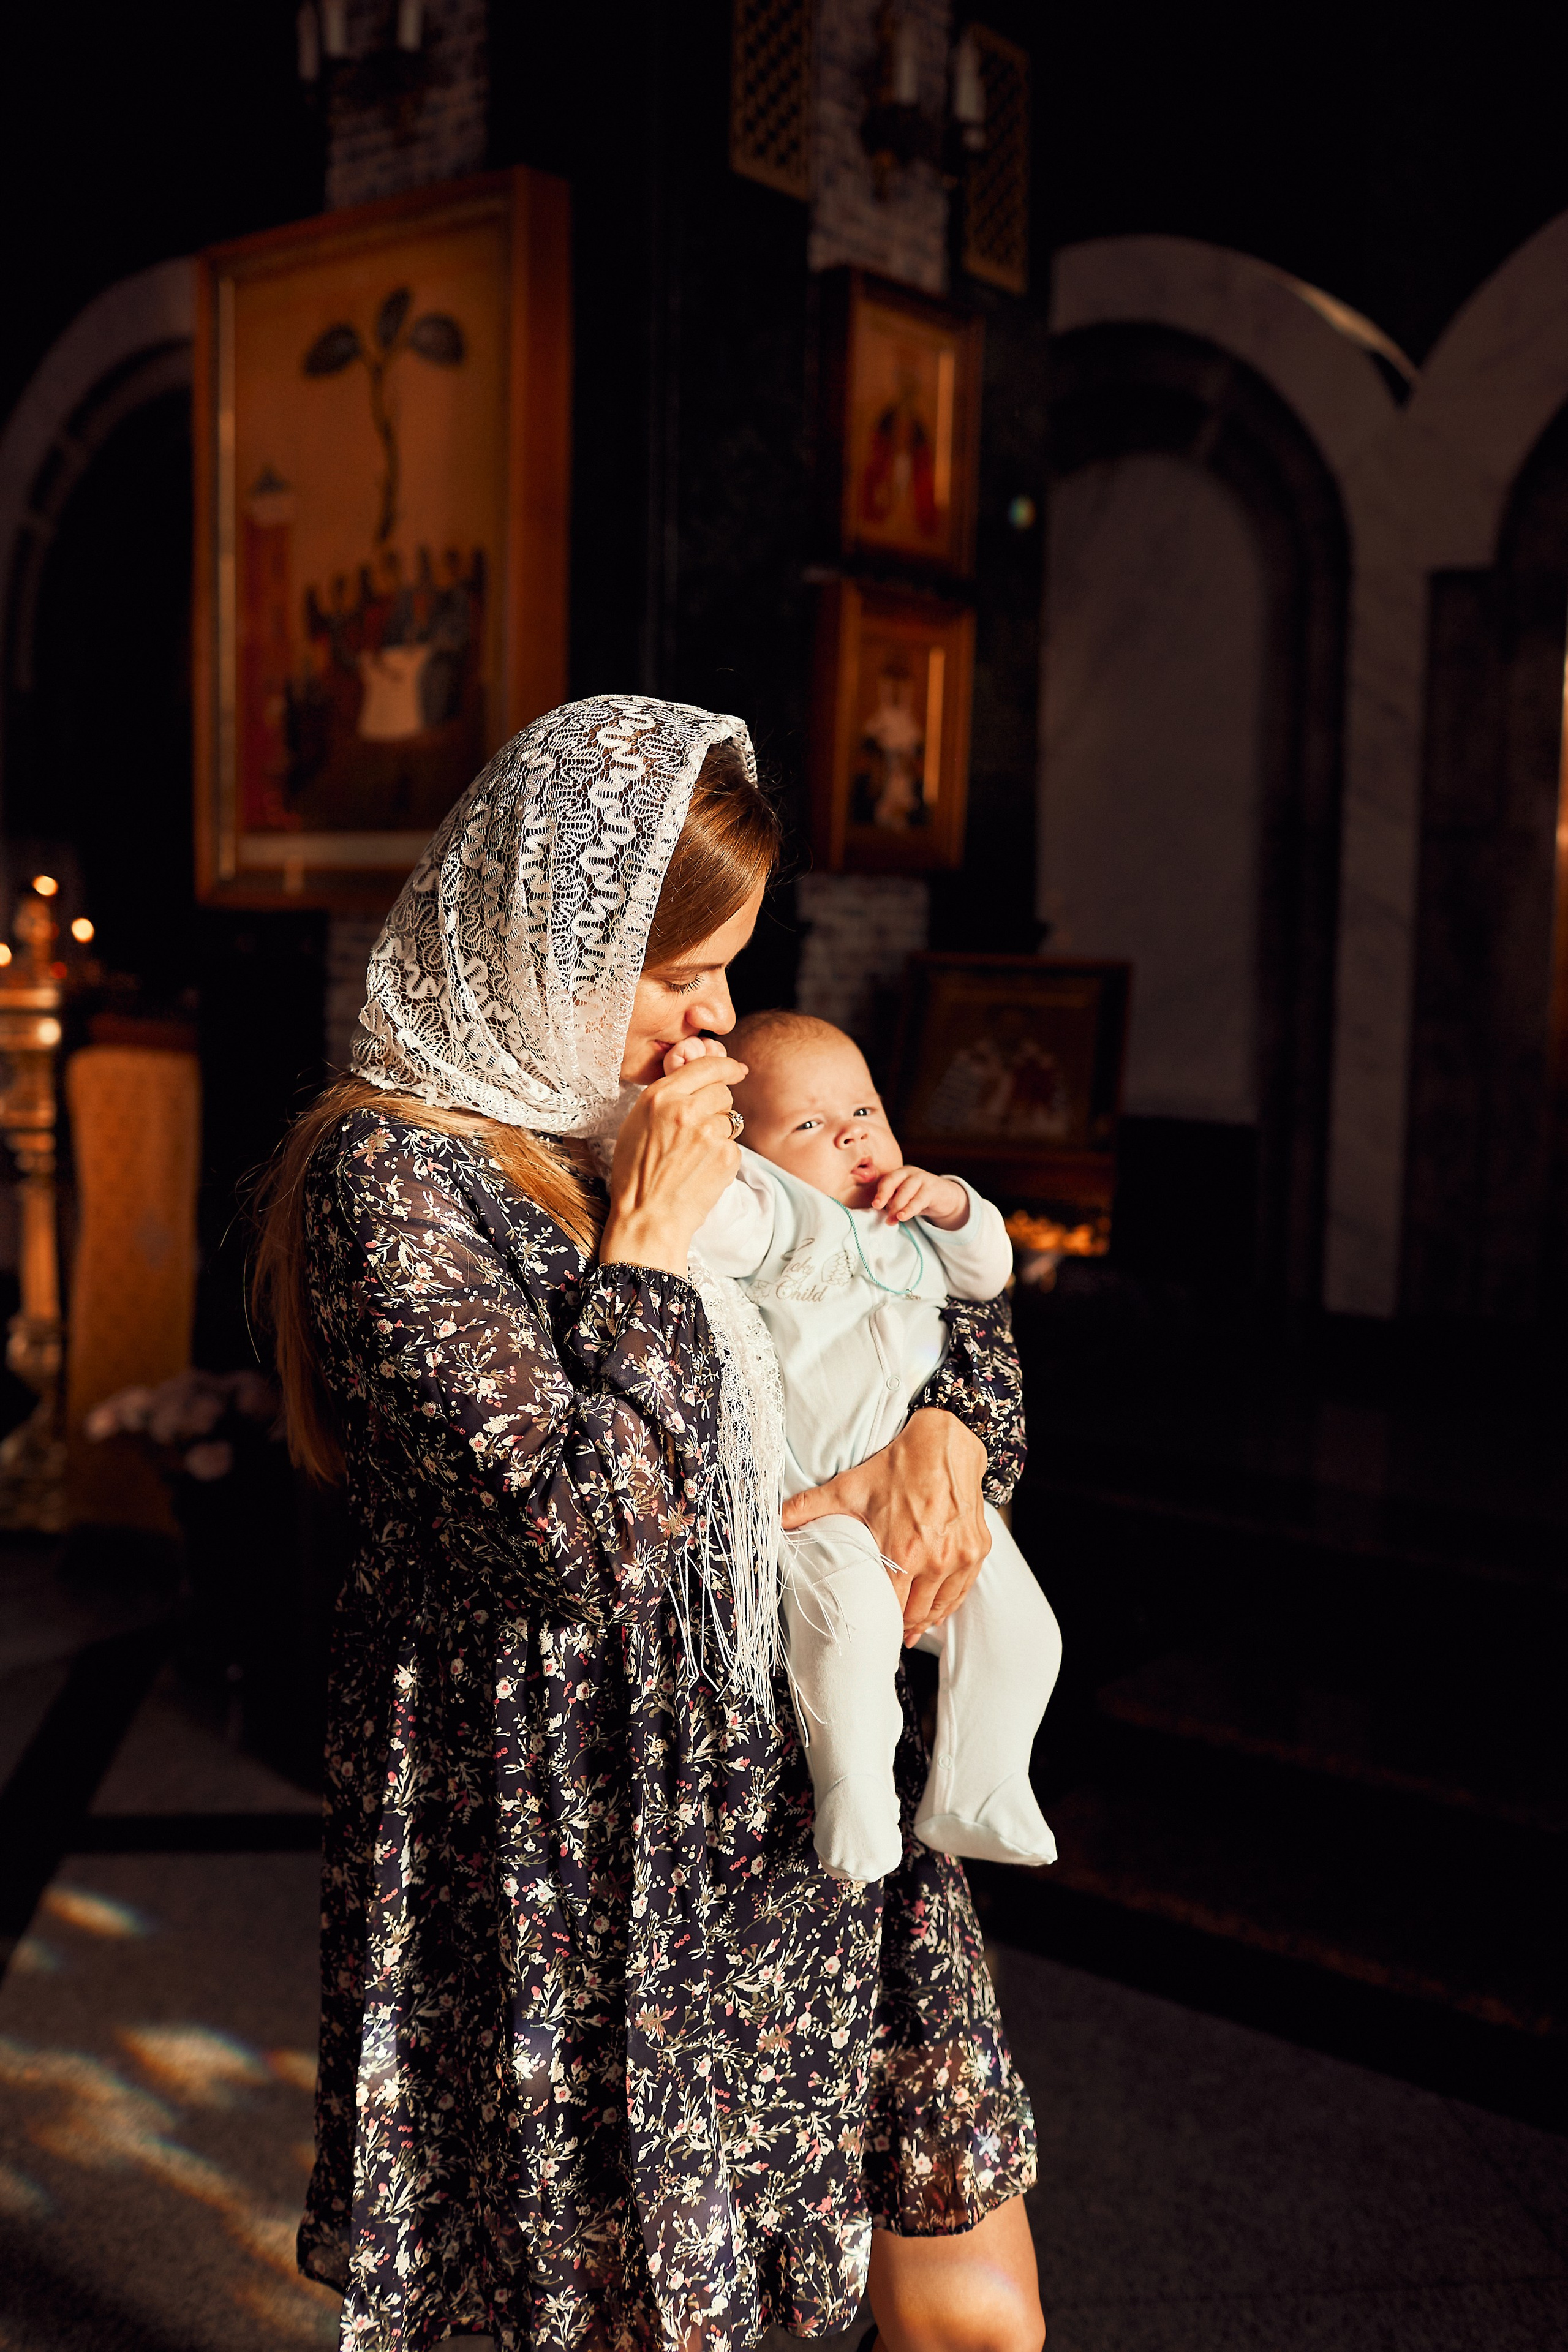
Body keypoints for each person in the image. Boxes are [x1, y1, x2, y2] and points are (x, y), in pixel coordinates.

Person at [254, 694, 1044, 2352]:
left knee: (972, 2293)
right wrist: (656, 1245)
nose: (722, 1021)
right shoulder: (395, 1180)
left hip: (811, 1787)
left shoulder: (676, 1117)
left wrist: (957, 1437)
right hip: (581, 1840)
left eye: (732, 966)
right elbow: (570, 1538)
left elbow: (905, 1282)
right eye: (681, 975)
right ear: (553, 941)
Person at [679, 1009, 1061, 1887]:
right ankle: (852, 1794)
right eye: (809, 1124)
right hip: (821, 1506)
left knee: (1027, 1635)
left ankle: (980, 1788)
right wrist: (706, 1148)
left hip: (937, 1496)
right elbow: (713, 1226)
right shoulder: (779, 1209)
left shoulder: (918, 1221)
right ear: (754, 1151)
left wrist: (956, 1203)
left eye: (867, 1111)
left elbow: (989, 1272)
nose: (852, 1134)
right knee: (848, 1630)